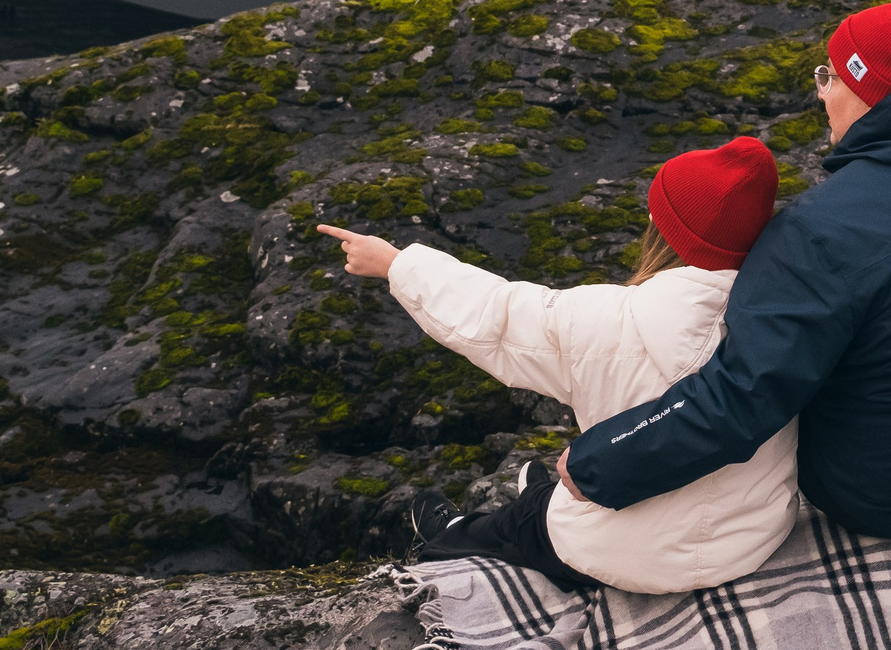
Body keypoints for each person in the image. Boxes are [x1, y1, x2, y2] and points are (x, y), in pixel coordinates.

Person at [557, 0, 891, 540]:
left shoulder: (819, 231)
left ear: (868, 90)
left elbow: (742, 396)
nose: (820, 91)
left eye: (831, 77)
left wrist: (598, 461)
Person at [314, 137, 794, 594]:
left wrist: (396, 264)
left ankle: (455, 533)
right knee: (565, 489)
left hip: (632, 554)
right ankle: (543, 495)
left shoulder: (602, 320)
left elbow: (494, 315)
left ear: (664, 232)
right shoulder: (794, 321)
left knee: (522, 524)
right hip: (751, 538)